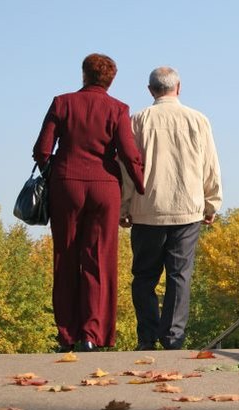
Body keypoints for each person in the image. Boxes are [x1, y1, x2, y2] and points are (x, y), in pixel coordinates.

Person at [33, 53, 145, 352]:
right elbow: (129, 153)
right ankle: (91, 335)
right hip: (105, 190)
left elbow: (42, 150)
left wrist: (59, 169)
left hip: (66, 186)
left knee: (66, 259)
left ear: (83, 74)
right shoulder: (118, 109)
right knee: (99, 261)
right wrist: (141, 185)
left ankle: (67, 335)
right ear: (111, 80)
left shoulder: (62, 103)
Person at [120, 66, 222, 350]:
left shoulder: (137, 121)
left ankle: (147, 337)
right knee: (179, 276)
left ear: (150, 90)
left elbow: (128, 168)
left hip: (146, 208)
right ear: (178, 88)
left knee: (144, 277)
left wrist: (123, 206)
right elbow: (209, 165)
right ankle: (173, 338)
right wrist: (211, 202)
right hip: (186, 208)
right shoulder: (198, 120)